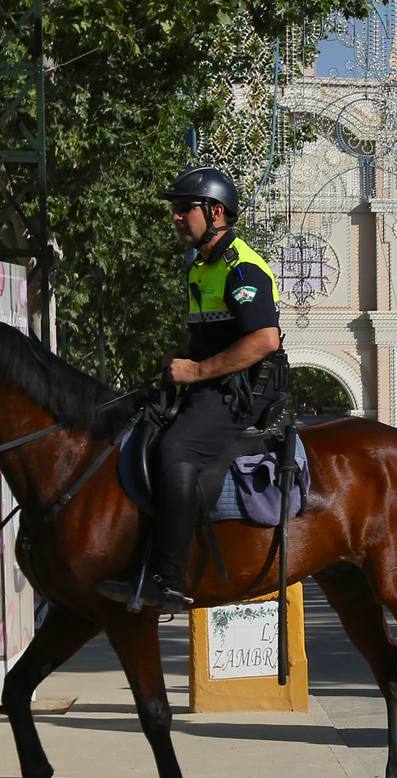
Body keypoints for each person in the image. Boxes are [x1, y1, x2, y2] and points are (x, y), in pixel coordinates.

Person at [98, 166, 286, 611]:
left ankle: (170, 582)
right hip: (214, 385)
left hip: (244, 392)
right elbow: (212, 337)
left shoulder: (241, 267)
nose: (176, 217)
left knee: (176, 451)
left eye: (185, 208)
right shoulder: (201, 269)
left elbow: (264, 339)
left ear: (215, 212)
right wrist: (176, 362)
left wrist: (197, 372)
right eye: (174, 209)